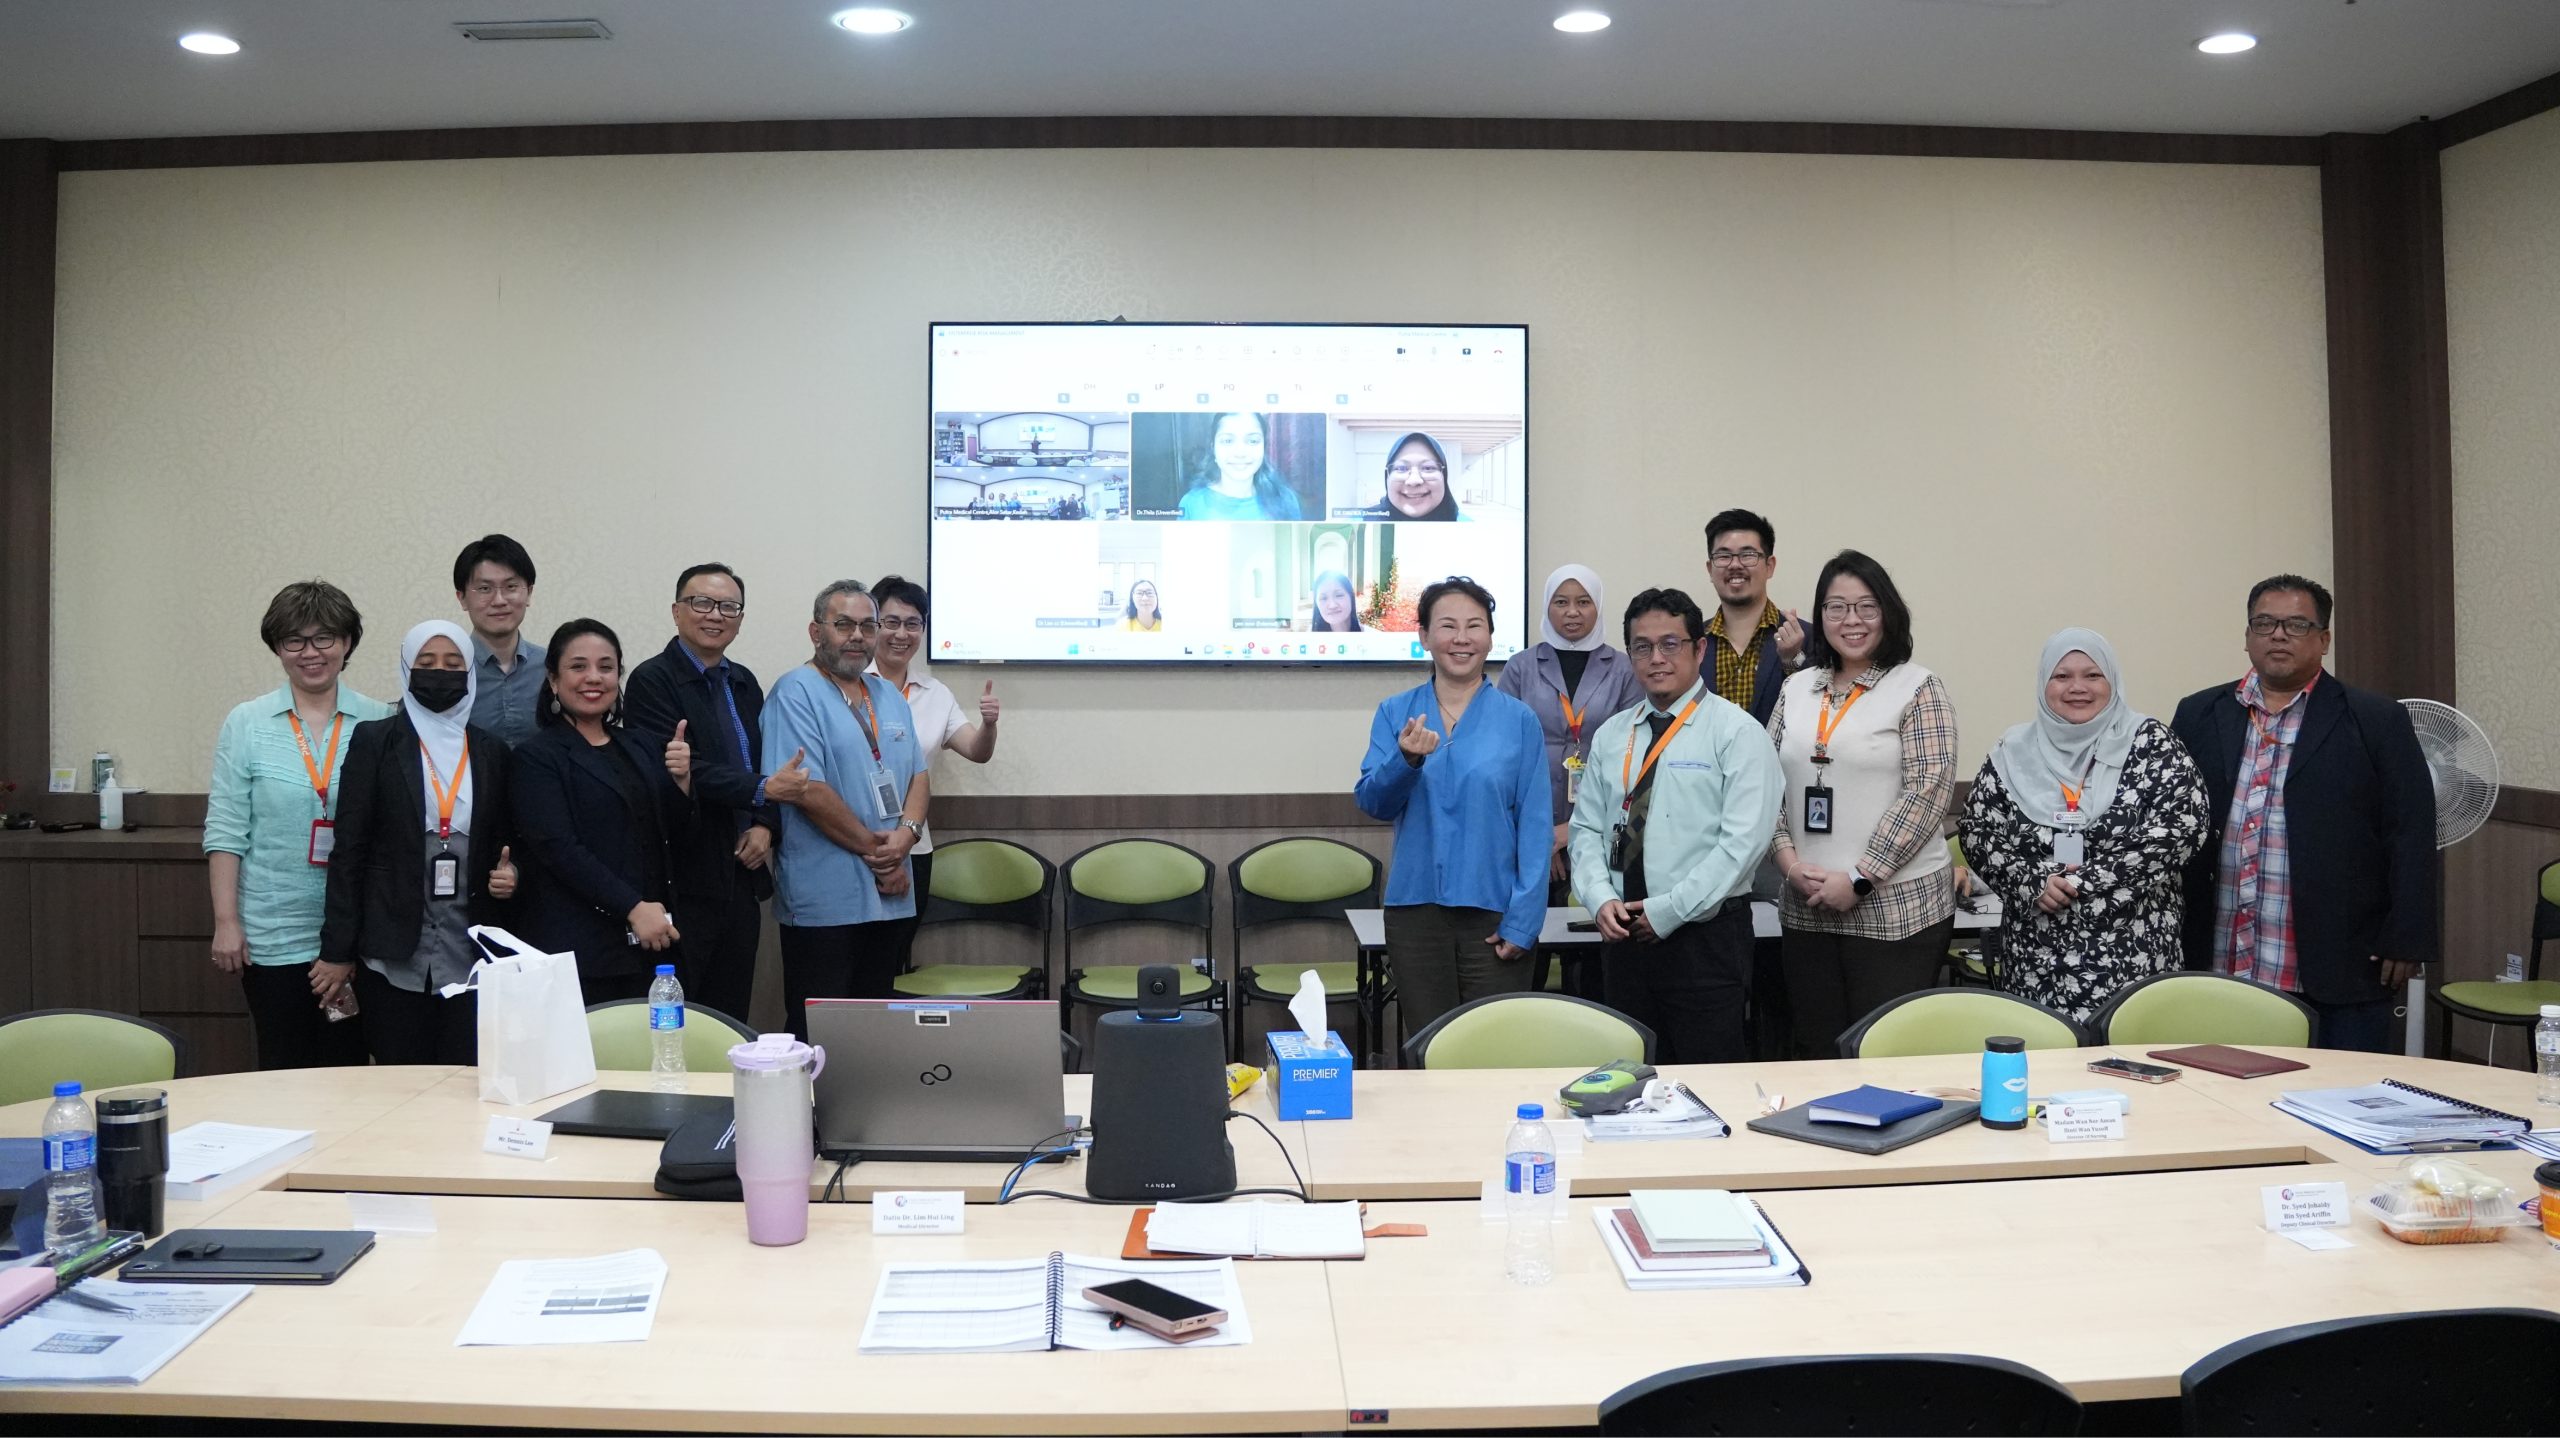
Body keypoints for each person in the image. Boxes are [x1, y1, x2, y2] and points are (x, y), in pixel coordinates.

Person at [2171, 575, 2438, 1052]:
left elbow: (2410, 831)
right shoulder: (2199, 713)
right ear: (2247, 636)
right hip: (2219, 955)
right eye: (2264, 623)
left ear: (2324, 640)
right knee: (2218, 1087)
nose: (2278, 635)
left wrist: (2407, 935)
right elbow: (2174, 821)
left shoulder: (2375, 719)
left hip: (2337, 960)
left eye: (2296, 625)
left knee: (2338, 1089)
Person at [1568, 588, 1784, 1063]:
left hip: (1703, 938)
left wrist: (1669, 911)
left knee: (1705, 1081)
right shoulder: (1613, 734)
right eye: (1642, 647)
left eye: (1671, 644)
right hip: (1623, 934)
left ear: (1699, 649)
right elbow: (1585, 830)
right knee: (1630, 1078)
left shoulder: (1737, 733)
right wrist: (1599, 897)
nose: (1656, 658)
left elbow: (1742, 845)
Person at [1958, 629, 2209, 1026]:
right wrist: (2030, 881)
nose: (2078, 687)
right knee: (2046, 1054)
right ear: (2044, 683)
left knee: (2130, 1058)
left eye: (2093, 675)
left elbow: (2182, 826)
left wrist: (2083, 882)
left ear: (2113, 681)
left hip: (2134, 953)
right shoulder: (2014, 749)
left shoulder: (2151, 743)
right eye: (2062, 676)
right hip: (2036, 959)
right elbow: (1978, 831)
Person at [1768, 550, 1959, 1058]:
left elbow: (1927, 792)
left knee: (1882, 1058)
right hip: (1807, 909)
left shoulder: (1918, 687)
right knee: (1816, 1053)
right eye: (1836, 607)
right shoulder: (1796, 688)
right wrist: (1788, 864)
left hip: (1896, 912)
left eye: (1866, 606)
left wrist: (1858, 878)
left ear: (1888, 612)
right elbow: (1764, 785)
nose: (1851, 620)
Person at [205, 581, 391, 1070]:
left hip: (356, 935)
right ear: (278, 647)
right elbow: (226, 828)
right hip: (272, 930)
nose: (311, 653)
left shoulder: (379, 720)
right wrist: (226, 921)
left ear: (346, 642)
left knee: (347, 1066)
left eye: (324, 638)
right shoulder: (247, 722)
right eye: (295, 640)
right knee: (283, 1066)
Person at [317, 620, 519, 1064]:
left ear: (469, 673)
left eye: (453, 664)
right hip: (392, 953)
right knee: (398, 1080)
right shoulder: (375, 741)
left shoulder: (492, 751)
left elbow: (510, 843)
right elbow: (349, 852)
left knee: (465, 1079)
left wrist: (512, 874)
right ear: (407, 669)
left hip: (471, 954)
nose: (440, 672)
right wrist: (337, 950)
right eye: (427, 662)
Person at [1354, 577, 1550, 1031]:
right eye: (1447, 626)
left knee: (1493, 1048)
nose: (1462, 638)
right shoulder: (1396, 713)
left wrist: (1524, 920)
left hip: (1495, 914)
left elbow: (1536, 827)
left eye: (1474, 626)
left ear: (1490, 638)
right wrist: (1405, 760)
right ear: (1424, 636)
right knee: (1429, 1046)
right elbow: (1373, 802)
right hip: (1415, 915)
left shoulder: (1519, 720)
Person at [762, 581, 929, 1037]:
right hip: (826, 899)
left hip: (890, 895)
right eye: (844, 625)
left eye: (867, 626)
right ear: (816, 632)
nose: (857, 636)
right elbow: (807, 790)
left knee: (873, 1030)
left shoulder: (886, 695)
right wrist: (882, 855)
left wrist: (906, 836)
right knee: (821, 1029)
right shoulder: (795, 692)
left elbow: (918, 775)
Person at [509, 619, 694, 1004]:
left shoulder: (641, 744)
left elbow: (669, 836)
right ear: (554, 680)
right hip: (582, 948)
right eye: (578, 666)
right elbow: (560, 849)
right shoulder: (535, 757)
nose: (593, 677)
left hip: (653, 942)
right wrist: (633, 908)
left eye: (606, 667)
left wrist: (682, 781)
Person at [623, 563, 772, 1023]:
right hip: (683, 878)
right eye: (702, 603)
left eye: (729, 606)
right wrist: (763, 790)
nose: (716, 615)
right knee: (681, 1017)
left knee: (731, 1016)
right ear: (677, 611)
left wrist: (766, 824)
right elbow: (679, 770)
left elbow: (767, 762)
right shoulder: (651, 681)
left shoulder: (744, 682)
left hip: (742, 873)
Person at [867, 574, 1002, 978]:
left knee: (889, 962)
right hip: (856, 844)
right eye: (891, 622)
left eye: (913, 624)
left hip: (914, 847)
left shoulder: (935, 693)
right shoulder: (848, 685)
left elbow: (976, 750)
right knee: (853, 966)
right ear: (873, 624)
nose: (901, 634)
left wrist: (989, 724)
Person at [1496, 564, 1642, 904]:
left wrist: (1571, 831)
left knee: (1595, 924)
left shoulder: (1624, 669)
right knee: (1529, 927)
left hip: (1603, 826)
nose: (1572, 612)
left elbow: (1631, 756)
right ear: (1547, 606)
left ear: (1598, 606)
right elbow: (1503, 754)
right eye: (1561, 602)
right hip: (1527, 828)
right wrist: (1539, 837)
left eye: (1583, 602)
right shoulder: (1520, 667)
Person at [1699, 509, 1805, 726]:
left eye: (1747, 555)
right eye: (1723, 556)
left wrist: (1793, 660)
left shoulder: (1808, 638)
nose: (1735, 565)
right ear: (1710, 569)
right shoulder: (1690, 642)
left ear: (1770, 566)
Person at [452, 534, 545, 747]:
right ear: (462, 598)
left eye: (511, 587)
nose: (499, 600)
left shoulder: (552, 667)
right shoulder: (447, 671)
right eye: (485, 589)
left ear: (529, 593)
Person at [1177, 412, 1303, 520]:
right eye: (1227, 441)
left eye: (1252, 441)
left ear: (1264, 447)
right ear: (1213, 448)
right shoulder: (1192, 503)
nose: (1240, 453)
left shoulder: (1285, 500)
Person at [1362, 432, 1461, 521]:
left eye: (1428, 468)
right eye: (1401, 468)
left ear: (1444, 476)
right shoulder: (1361, 527)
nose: (1414, 481)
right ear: (1387, 476)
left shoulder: (1466, 528)